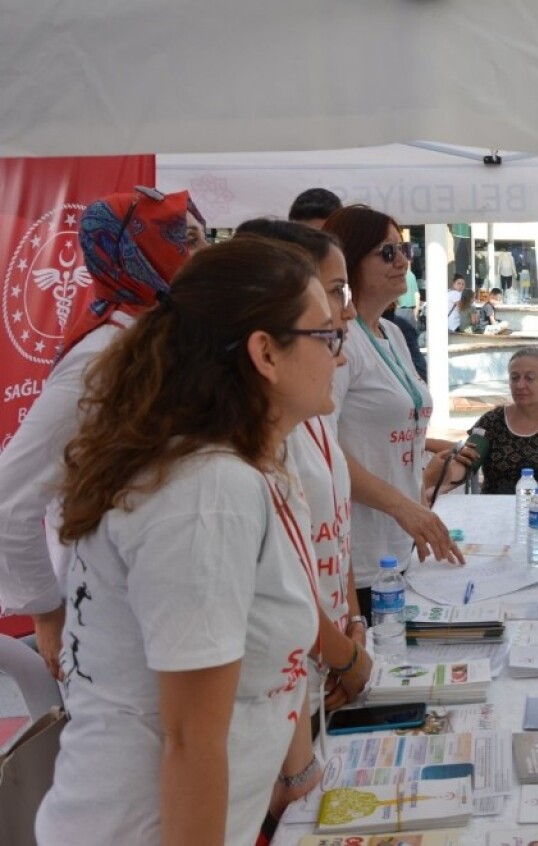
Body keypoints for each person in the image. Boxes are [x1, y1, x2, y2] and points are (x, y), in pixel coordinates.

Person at [35, 237, 331, 843]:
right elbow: (191, 741)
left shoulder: (238, 466)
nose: (340, 356)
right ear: (265, 353)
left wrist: (296, 773)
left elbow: (272, 659)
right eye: (326, 337)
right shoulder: (207, 492)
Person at [0, 187, 206, 679]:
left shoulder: (160, 341)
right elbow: (9, 501)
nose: (204, 256)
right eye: (187, 241)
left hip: (169, 613)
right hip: (115, 628)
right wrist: (48, 611)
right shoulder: (102, 359)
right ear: (140, 254)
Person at [232, 219, 373, 714]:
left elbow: (334, 530)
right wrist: (344, 654)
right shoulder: (241, 456)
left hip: (319, 678)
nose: (347, 314)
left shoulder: (311, 409)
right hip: (286, 687)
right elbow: (277, 589)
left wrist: (353, 625)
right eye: (335, 293)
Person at [323, 206, 462, 617]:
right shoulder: (342, 343)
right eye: (387, 252)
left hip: (400, 548)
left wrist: (418, 497)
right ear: (350, 263)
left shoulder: (393, 334)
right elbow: (323, 449)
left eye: (405, 249)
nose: (402, 261)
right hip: (359, 555)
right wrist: (404, 507)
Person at [433, 348, 538, 496]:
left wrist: (533, 499)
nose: (520, 385)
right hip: (494, 513)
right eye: (514, 378)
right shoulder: (491, 422)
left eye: (529, 378)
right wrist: (436, 487)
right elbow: (466, 464)